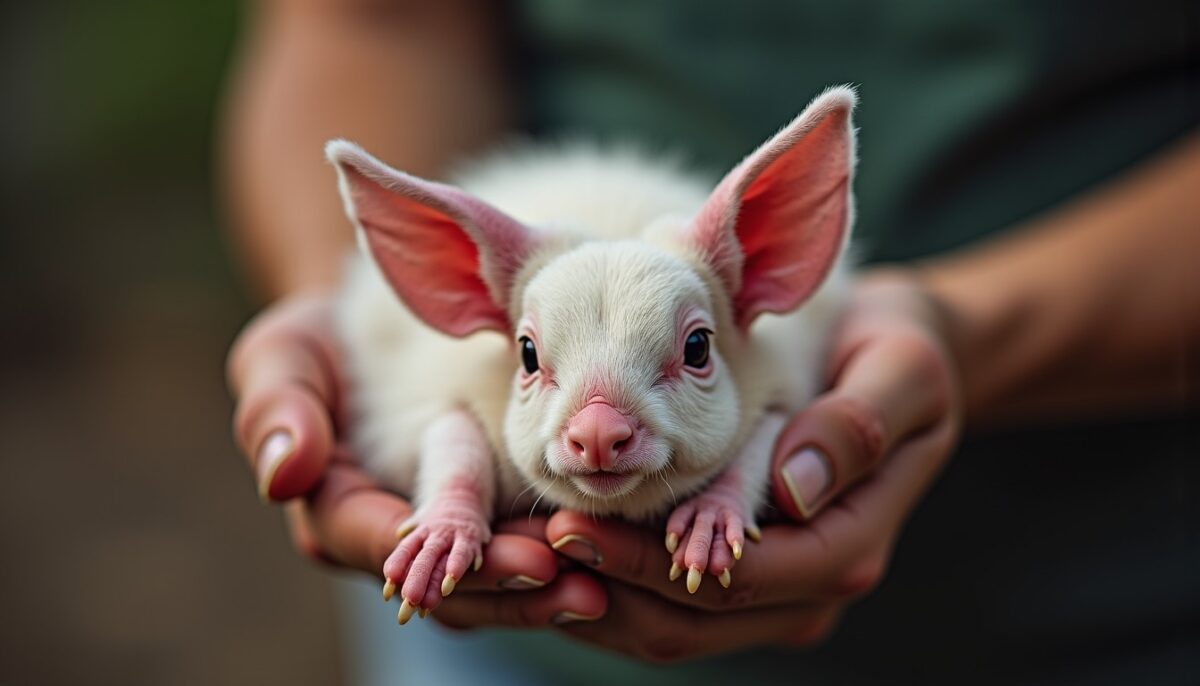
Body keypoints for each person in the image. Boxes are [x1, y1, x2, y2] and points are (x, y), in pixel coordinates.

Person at [222, 1, 1198, 683]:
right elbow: (367, 20)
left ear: (764, 276)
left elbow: (776, 412)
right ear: (461, 295)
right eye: (535, 366)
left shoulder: (773, 364)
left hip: (1114, 615)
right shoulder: (492, 362)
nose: (596, 429)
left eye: (688, 354)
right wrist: (343, 318)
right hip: (497, 658)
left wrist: (966, 340)